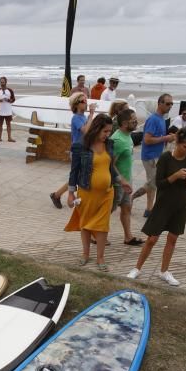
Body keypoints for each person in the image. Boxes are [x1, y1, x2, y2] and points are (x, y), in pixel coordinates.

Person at [127, 127, 186, 286]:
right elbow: (157, 183)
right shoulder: (166, 157)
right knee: (152, 239)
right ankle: (137, 268)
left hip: (182, 202)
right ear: (177, 142)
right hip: (163, 202)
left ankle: (164, 271)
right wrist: (175, 176)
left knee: (173, 239)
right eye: (185, 146)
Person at [65, 114, 131, 270]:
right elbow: (74, 172)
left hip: (107, 193)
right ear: (96, 129)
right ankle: (85, 254)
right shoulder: (80, 145)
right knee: (86, 225)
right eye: (105, 131)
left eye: (109, 131)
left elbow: (110, 167)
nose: (107, 135)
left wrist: (121, 180)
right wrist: (70, 193)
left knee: (102, 226)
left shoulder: (109, 144)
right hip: (86, 193)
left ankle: (100, 258)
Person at [132, 94, 176, 217]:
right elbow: (147, 140)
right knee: (154, 183)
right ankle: (132, 198)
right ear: (160, 103)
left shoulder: (161, 118)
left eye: (171, 104)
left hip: (156, 155)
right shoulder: (153, 119)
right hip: (150, 156)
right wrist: (165, 138)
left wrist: (168, 139)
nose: (170, 106)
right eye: (167, 103)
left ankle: (149, 209)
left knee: (152, 184)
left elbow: (158, 137)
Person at [49, 93, 96, 208]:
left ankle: (56, 195)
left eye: (86, 101)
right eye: (83, 101)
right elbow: (85, 130)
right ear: (76, 104)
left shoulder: (83, 117)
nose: (86, 103)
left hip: (84, 148)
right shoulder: (76, 117)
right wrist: (91, 115)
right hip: (77, 149)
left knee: (79, 175)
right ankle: (62, 195)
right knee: (75, 174)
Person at [110, 109, 143, 246]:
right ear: (124, 123)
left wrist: (128, 180)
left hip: (126, 181)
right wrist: (121, 180)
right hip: (118, 184)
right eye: (133, 121)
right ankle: (96, 235)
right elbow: (110, 164)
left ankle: (128, 237)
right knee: (108, 210)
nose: (136, 123)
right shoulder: (117, 140)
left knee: (126, 208)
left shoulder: (128, 136)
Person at [0, 76, 16, 142]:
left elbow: (13, 99)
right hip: (0, 111)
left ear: (6, 82)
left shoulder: (10, 90)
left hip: (8, 111)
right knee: (0, 124)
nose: (2, 83)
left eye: (3, 82)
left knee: (8, 124)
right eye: (1, 82)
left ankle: (9, 138)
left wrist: (9, 100)